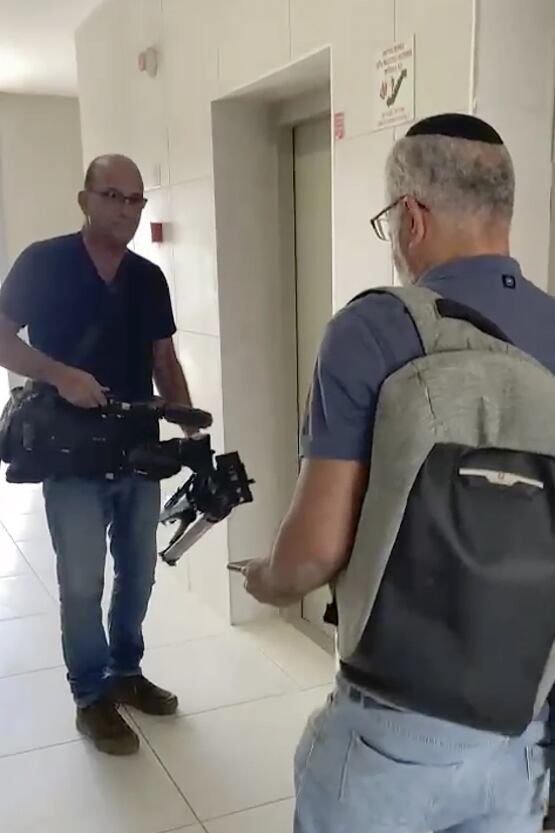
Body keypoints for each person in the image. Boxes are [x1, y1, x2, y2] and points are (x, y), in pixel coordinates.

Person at [244, 114, 555, 832]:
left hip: (391, 729)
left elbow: (316, 548)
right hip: (519, 727)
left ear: (411, 216)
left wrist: (267, 578)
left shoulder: (371, 329)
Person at [0, 154, 193, 756]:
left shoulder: (148, 278)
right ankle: (90, 694)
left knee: (138, 573)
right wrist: (59, 374)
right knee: (82, 582)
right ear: (84, 199)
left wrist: (189, 434)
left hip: (137, 448)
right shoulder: (43, 261)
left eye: (136, 199)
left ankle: (125, 672)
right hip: (70, 450)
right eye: (113, 196)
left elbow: (165, 362)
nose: (127, 210)